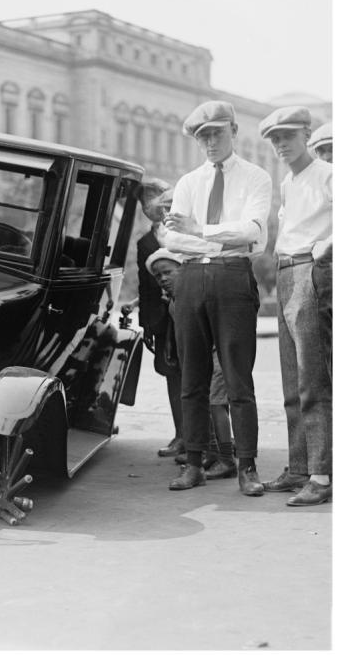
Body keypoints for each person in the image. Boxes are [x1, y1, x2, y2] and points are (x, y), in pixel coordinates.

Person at [162, 100, 272, 496]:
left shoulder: (257, 178)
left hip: (233, 276)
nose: (209, 142)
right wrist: (207, 232)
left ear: (234, 131)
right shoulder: (190, 182)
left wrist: (200, 228)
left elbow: (252, 232)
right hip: (191, 277)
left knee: (238, 378)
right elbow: (171, 237)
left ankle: (247, 466)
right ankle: (194, 464)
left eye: (216, 133)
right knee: (192, 377)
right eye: (202, 136)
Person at [259, 106, 332, 506]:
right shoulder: (288, 182)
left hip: (310, 269)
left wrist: (326, 247)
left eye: (287, 136)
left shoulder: (327, 173)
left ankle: (321, 475)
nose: (280, 145)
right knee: (291, 379)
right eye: (274, 139)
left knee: (312, 378)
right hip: (287, 270)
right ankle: (300, 467)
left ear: (306, 134)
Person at [146, 248, 236, 480]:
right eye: (158, 276)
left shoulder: (197, 294)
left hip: (219, 355)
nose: (163, 279)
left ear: (184, 270)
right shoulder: (174, 302)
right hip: (204, 357)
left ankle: (227, 459)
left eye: (168, 272)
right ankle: (212, 452)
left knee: (216, 404)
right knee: (205, 402)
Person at [134, 178, 183, 458]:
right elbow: (144, 285)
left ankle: (212, 438)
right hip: (162, 321)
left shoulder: (184, 233)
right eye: (143, 201)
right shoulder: (145, 242)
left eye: (153, 197)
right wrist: (147, 324)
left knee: (199, 374)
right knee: (171, 374)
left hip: (188, 313)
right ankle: (181, 435)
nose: (148, 205)